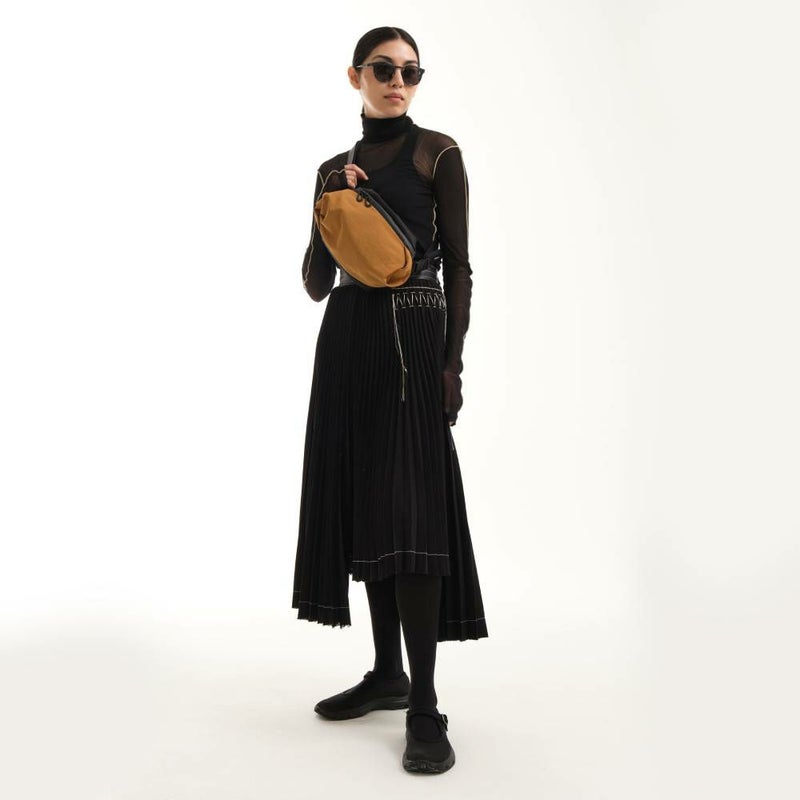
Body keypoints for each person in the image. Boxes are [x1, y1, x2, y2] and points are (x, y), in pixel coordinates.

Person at [291, 26, 488, 775]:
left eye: (410, 71)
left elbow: (460, 266)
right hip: (349, 336)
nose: (398, 81)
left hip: (415, 333)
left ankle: (425, 705)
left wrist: (452, 363)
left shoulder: (438, 153)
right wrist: (336, 202)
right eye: (383, 69)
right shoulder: (330, 170)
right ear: (356, 77)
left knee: (412, 507)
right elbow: (316, 282)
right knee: (368, 498)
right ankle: (386, 674)